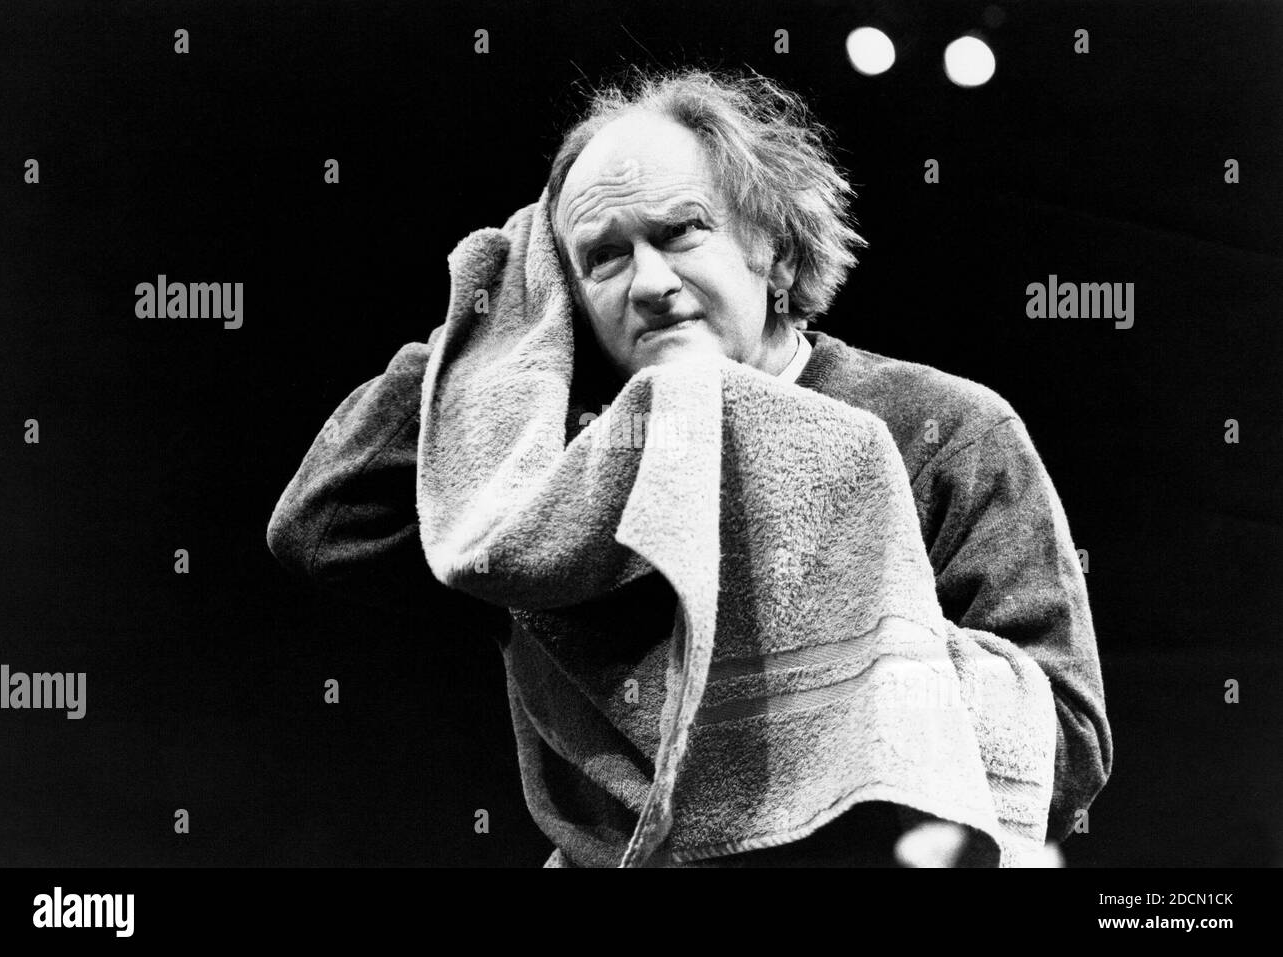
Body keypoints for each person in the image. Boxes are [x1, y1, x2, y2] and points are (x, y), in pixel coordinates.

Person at [266, 67, 1112, 866]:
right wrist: (497, 323)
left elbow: (1066, 744)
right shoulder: (544, 473)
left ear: (776, 254)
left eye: (680, 233)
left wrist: (853, 660)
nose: (650, 281)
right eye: (602, 257)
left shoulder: (944, 428)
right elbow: (326, 525)